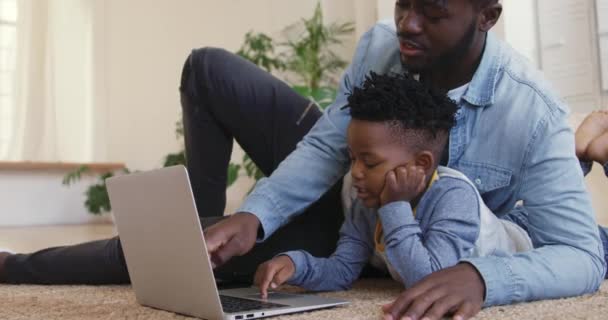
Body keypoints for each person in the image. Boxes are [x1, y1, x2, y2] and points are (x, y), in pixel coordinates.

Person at [0, 1, 605, 319]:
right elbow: (323, 146)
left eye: (434, 9)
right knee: (208, 69)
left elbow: (580, 256)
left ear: (487, 15)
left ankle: (15, 268)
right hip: (352, 200)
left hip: (379, 240)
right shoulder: (380, 47)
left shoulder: (533, 114)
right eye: (402, 2)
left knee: (137, 261)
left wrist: (481, 277)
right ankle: (203, 233)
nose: (407, 24)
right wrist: (256, 216)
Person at [253, 72, 532, 298]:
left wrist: (395, 206)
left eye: (370, 163)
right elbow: (342, 270)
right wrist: (295, 264)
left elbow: (428, 279)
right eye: (352, 159)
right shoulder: (365, 198)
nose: (356, 173)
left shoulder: (453, 198)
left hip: (523, 242)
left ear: (421, 164)